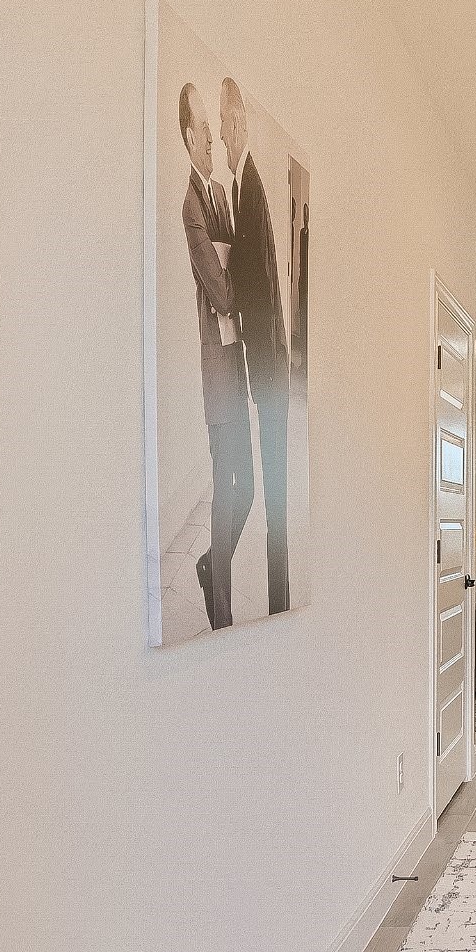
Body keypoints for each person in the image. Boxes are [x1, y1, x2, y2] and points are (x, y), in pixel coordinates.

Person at [179, 81, 252, 628]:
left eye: (211, 127)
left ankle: (211, 564)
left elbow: (237, 266)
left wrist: (230, 267)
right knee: (227, 474)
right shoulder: (191, 204)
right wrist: (226, 271)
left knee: (245, 483)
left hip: (238, 355)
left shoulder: (221, 196)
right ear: (189, 135)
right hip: (217, 364)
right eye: (203, 127)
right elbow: (218, 282)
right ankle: (220, 605)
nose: (209, 136)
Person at [219, 77, 292, 613]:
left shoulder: (254, 187)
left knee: (276, 487)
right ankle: (277, 592)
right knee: (269, 482)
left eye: (234, 121)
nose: (229, 131)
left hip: (267, 365)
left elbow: (256, 281)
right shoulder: (242, 186)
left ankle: (278, 592)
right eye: (225, 124)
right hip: (262, 359)